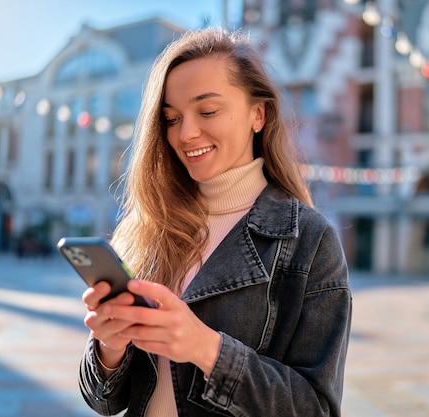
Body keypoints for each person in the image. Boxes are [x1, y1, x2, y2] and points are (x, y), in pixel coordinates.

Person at [79, 27, 352, 417]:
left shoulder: (309, 240)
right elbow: (102, 400)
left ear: (259, 114)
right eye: (171, 118)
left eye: (207, 111)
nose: (186, 134)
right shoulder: (148, 226)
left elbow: (317, 408)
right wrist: (109, 348)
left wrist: (207, 349)